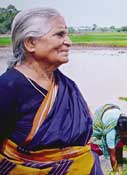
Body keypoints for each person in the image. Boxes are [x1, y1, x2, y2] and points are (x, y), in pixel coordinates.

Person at [0, 8, 103, 174]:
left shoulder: (67, 86)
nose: (68, 42)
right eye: (59, 34)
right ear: (30, 43)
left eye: (66, 34)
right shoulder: (8, 87)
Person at [91, 104, 127, 172]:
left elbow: (125, 137)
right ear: (117, 129)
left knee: (120, 142)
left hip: (113, 110)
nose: (124, 135)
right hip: (102, 114)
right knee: (97, 146)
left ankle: (120, 162)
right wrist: (115, 171)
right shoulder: (110, 132)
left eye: (126, 133)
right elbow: (112, 155)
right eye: (121, 134)